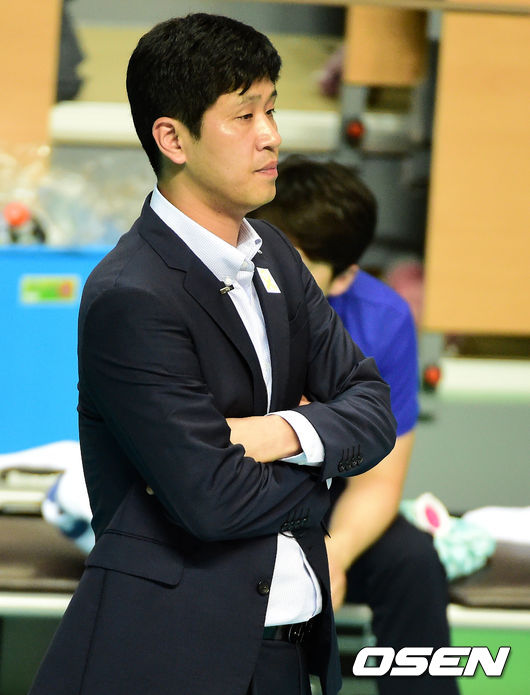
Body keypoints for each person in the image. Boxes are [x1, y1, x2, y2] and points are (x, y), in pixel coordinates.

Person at [29, 15, 396, 695]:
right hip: (173, 654)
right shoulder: (131, 294)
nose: (272, 135)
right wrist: (319, 459)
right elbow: (212, 501)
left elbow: (375, 411)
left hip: (288, 649)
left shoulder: (275, 253)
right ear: (172, 138)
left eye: (272, 109)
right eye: (245, 115)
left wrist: (274, 433)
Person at [253, 156, 460, 695]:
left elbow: (378, 482)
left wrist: (335, 555)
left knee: (411, 563)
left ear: (344, 276)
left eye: (295, 266)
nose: (265, 274)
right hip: (226, 488)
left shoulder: (382, 320)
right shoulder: (209, 295)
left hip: (324, 496)